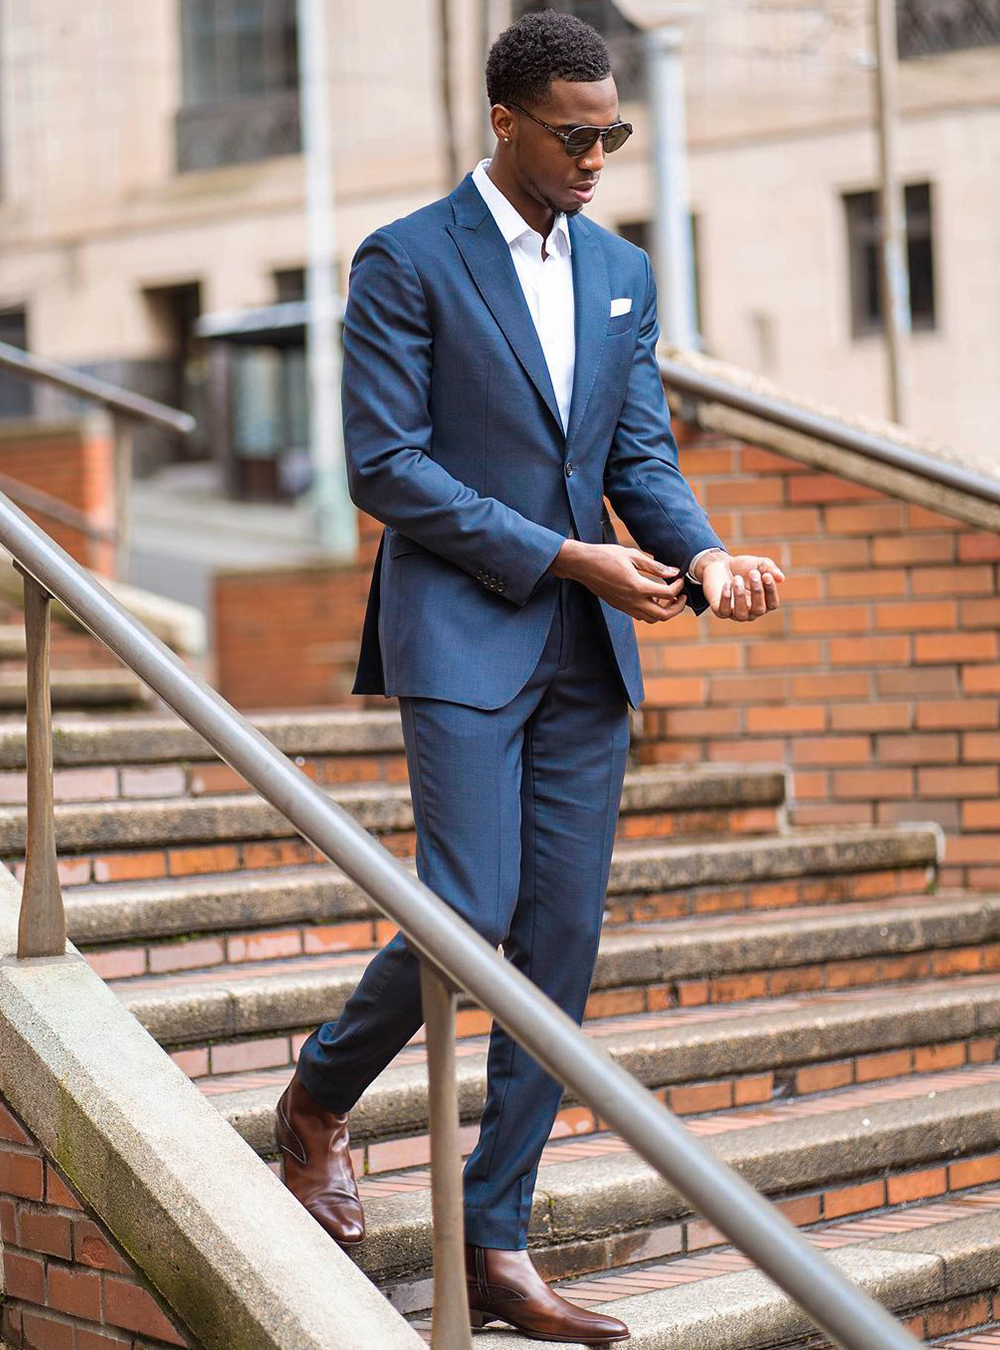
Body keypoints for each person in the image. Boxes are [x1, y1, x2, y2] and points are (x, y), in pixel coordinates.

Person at [276, 10, 783, 1343]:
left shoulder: (620, 266)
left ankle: (495, 1238)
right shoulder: (406, 259)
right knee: (465, 909)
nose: (599, 155)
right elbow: (385, 466)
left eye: (612, 131)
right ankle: (317, 1098)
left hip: (586, 650)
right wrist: (569, 557)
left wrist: (704, 549)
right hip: (462, 628)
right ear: (504, 120)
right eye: (576, 133)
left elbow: (639, 452)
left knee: (556, 942)